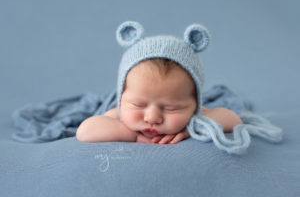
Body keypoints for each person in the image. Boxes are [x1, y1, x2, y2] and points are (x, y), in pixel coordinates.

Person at [76, 21, 242, 144]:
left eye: (171, 108)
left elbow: (234, 119)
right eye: (138, 105)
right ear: (122, 97)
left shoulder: (194, 115)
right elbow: (85, 132)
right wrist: (134, 136)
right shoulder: (117, 114)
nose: (152, 118)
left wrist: (193, 126)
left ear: (196, 104)